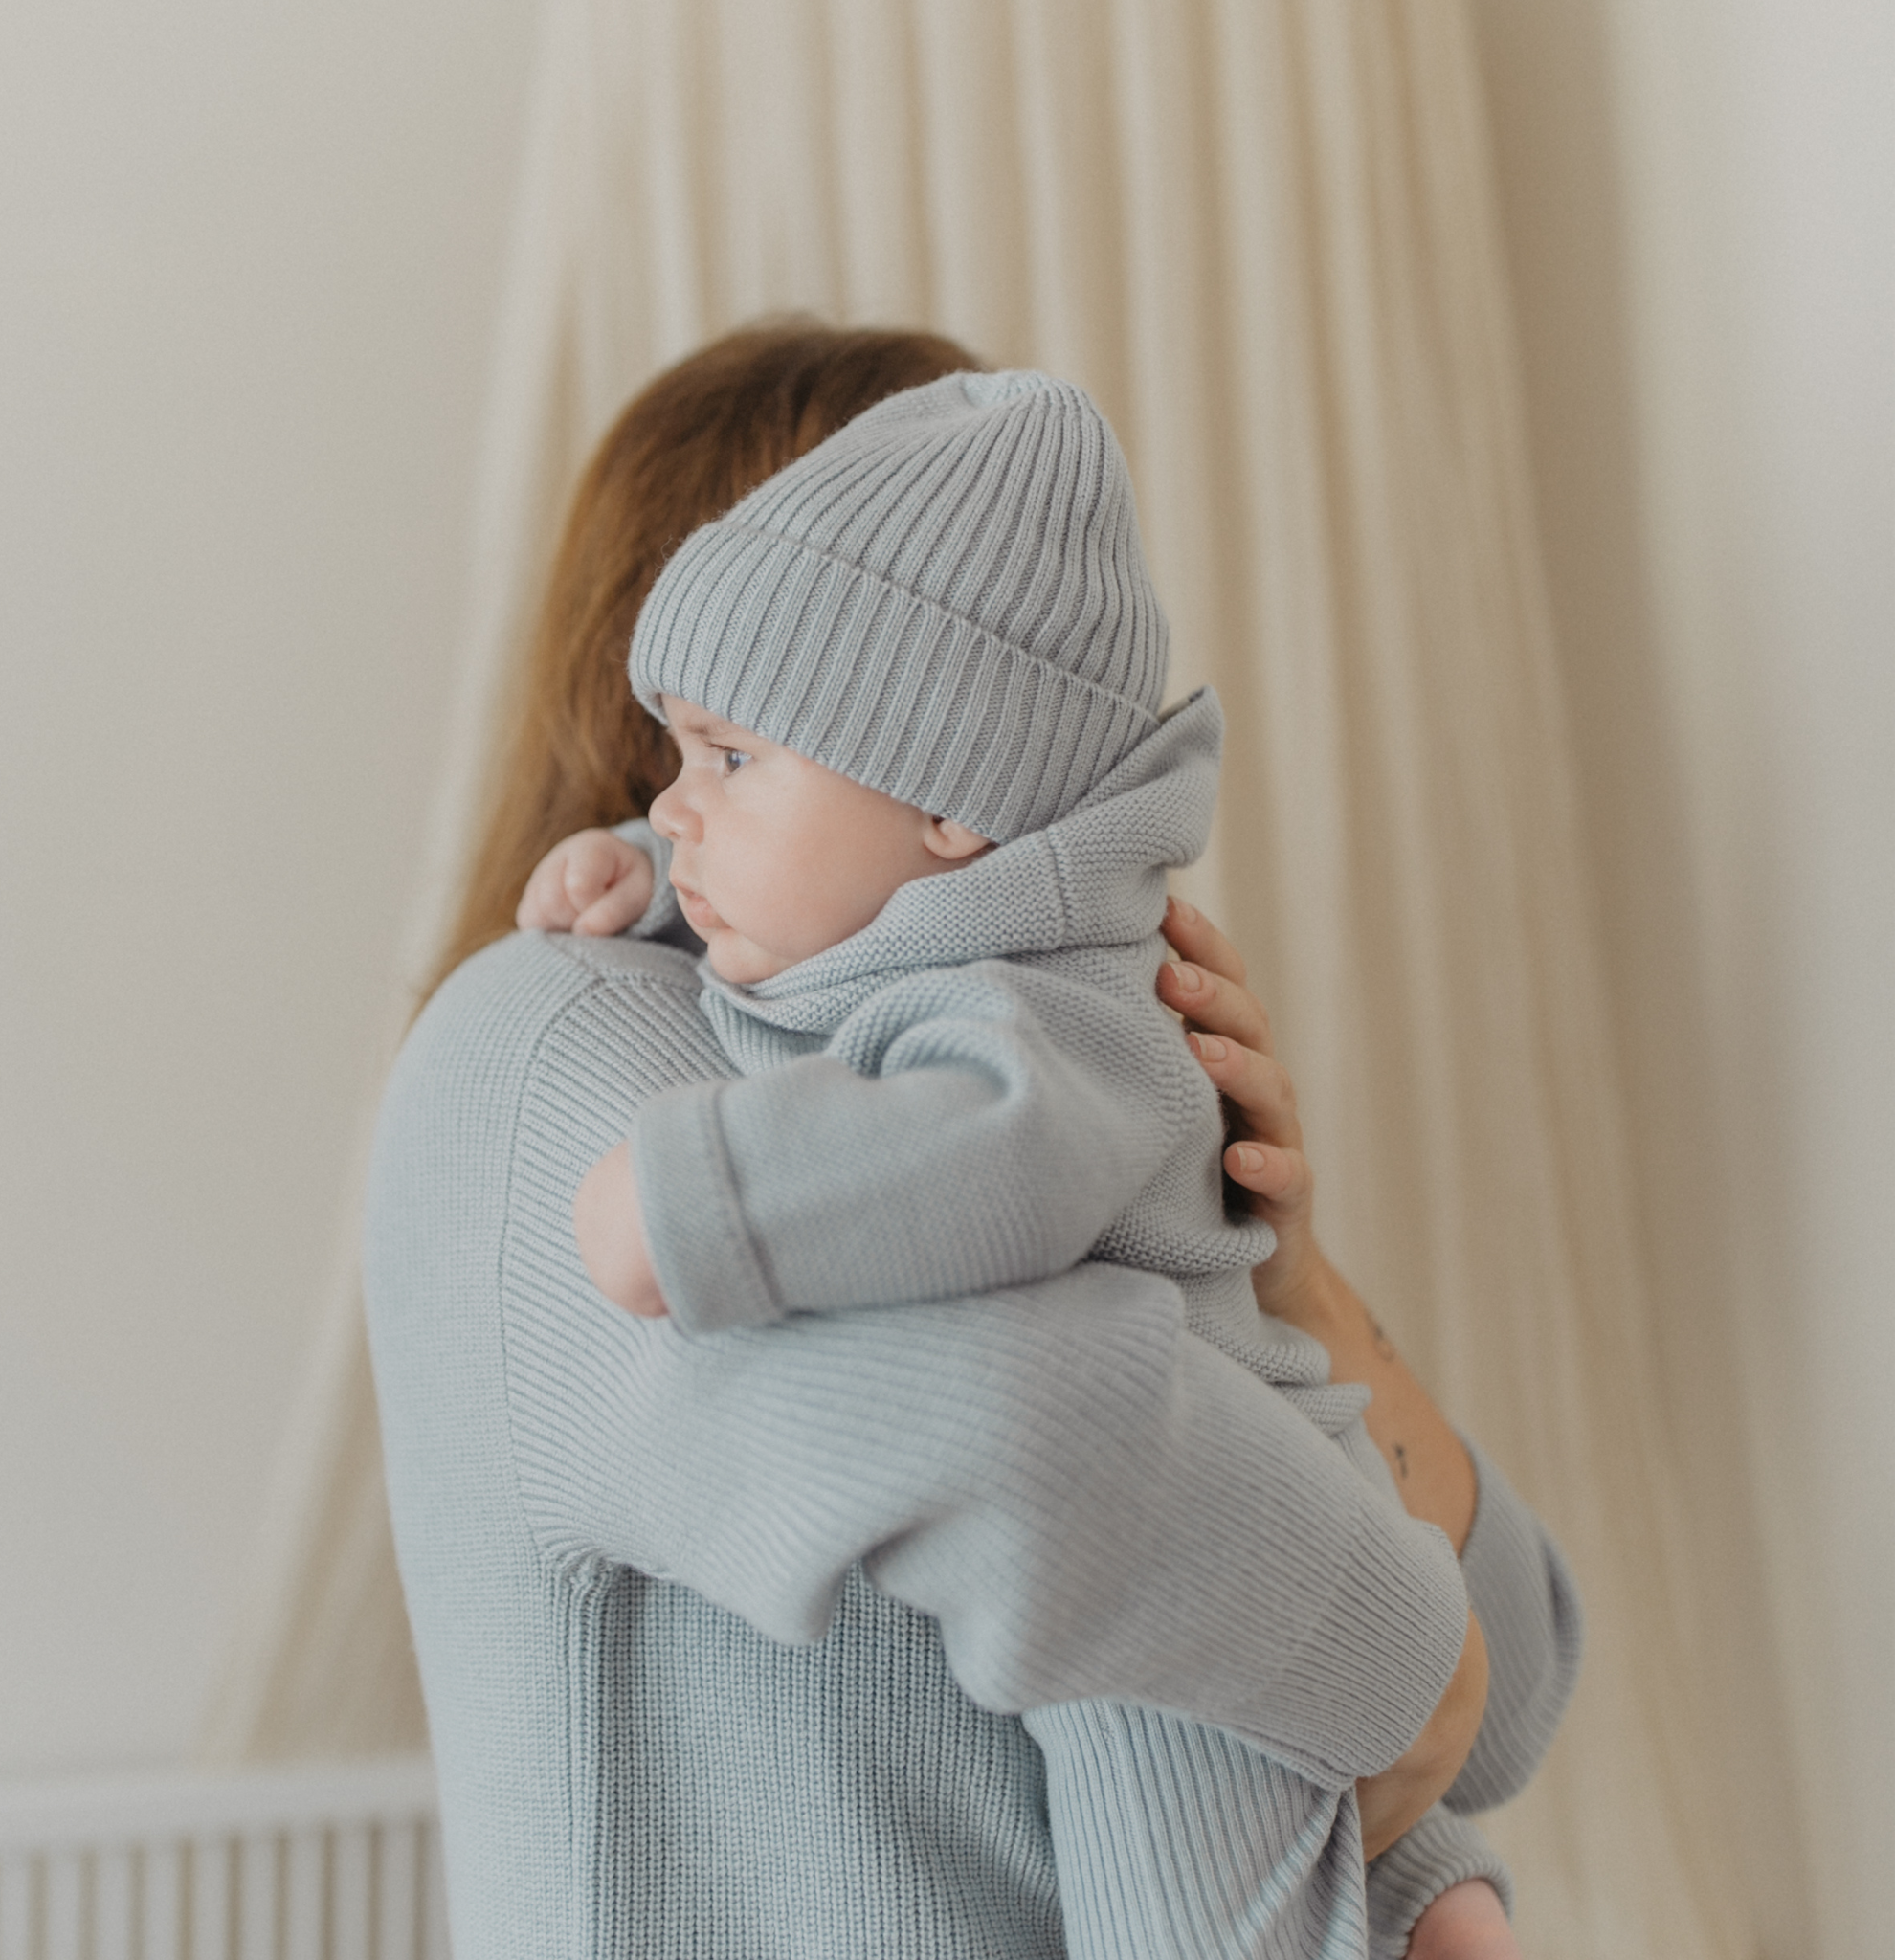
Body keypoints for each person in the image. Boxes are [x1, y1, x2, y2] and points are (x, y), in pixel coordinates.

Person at [365, 323, 1580, 1960]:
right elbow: (1055, 1442)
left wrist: (1281, 1278)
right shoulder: (551, 1050)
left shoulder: (967, 1033)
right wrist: (1402, 1659)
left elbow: (1503, 1707)